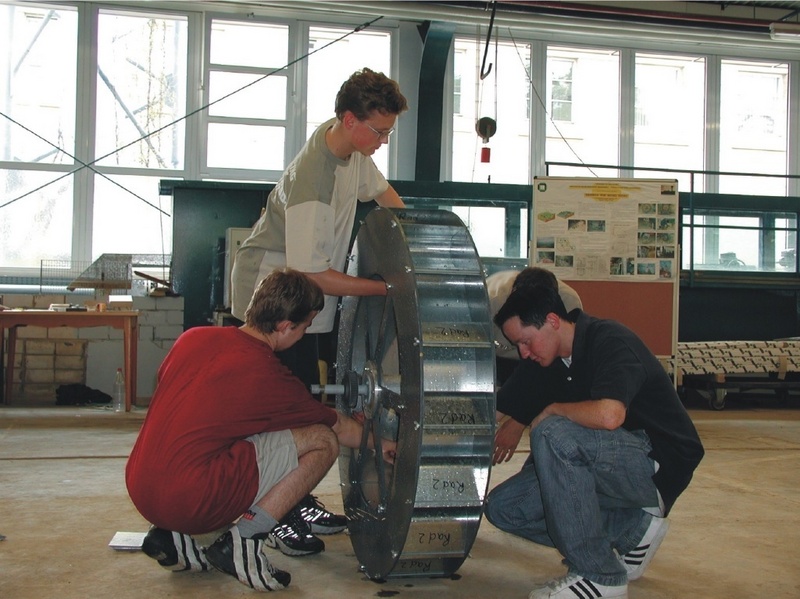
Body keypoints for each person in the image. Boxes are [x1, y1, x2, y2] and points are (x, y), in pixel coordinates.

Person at [126, 269, 395, 592]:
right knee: (321, 441)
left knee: (212, 439)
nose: (304, 333)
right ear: (285, 327)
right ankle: (246, 539)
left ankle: (171, 538)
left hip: (143, 491)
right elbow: (337, 427)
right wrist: (384, 443)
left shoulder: (193, 338)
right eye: (306, 326)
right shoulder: (265, 374)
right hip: (190, 500)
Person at [229, 67, 408, 552]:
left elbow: (384, 195)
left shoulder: (350, 148)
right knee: (281, 405)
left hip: (307, 287)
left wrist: (411, 235)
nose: (384, 140)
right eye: (379, 130)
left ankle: (296, 493)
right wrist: (387, 288)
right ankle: (271, 508)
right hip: (274, 293)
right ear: (350, 119)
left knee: (306, 391)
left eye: (389, 131)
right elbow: (312, 276)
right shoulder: (314, 179)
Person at [485, 285, 704, 599]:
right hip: (611, 463)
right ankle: (631, 531)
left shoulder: (610, 340)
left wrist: (550, 410)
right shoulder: (543, 363)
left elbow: (609, 415)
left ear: (552, 321)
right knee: (504, 508)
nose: (522, 352)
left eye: (525, 341)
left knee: (552, 432)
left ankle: (600, 575)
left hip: (656, 463)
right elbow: (492, 411)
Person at [487, 267, 582, 466]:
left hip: (539, 354)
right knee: (488, 414)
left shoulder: (569, 302)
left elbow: (553, 374)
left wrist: (519, 421)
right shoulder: (491, 301)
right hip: (493, 352)